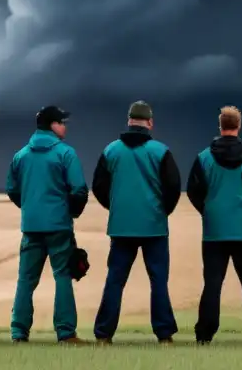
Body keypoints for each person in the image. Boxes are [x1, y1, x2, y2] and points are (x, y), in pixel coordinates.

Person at [91, 100, 182, 344]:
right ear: (150, 123)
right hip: (154, 226)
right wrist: (162, 212)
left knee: (115, 280)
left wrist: (117, 207)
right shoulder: (161, 151)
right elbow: (173, 188)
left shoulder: (110, 151)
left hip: (121, 227)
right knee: (158, 280)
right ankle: (164, 335)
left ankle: (103, 334)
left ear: (129, 121)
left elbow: (99, 186)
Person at [186, 105, 242, 345]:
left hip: (214, 231)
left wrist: (208, 211)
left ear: (220, 126)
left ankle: (204, 334)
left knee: (213, 282)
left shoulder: (203, 158)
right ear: (239, 125)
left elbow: (194, 192)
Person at [6, 105, 90, 345]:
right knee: (63, 276)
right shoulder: (66, 153)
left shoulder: (21, 155)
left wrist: (29, 207)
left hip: (31, 226)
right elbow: (79, 189)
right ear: (52, 125)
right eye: (62, 122)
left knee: (25, 279)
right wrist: (71, 212)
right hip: (59, 226)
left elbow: (12, 189)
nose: (64, 126)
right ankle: (65, 333)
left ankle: (18, 333)